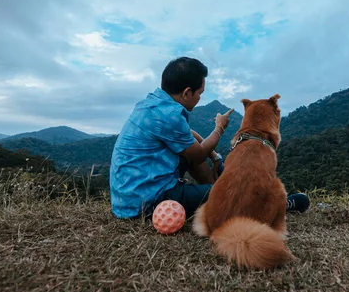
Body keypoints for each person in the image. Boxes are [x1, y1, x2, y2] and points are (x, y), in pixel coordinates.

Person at [109, 56, 310, 219]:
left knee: (192, 151)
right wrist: (219, 128)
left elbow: (188, 137)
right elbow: (197, 155)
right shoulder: (170, 115)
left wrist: (214, 156)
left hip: (128, 196)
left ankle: (218, 187)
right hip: (149, 201)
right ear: (187, 92)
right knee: (234, 196)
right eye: (200, 93)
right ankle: (277, 205)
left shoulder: (153, 104)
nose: (200, 98)